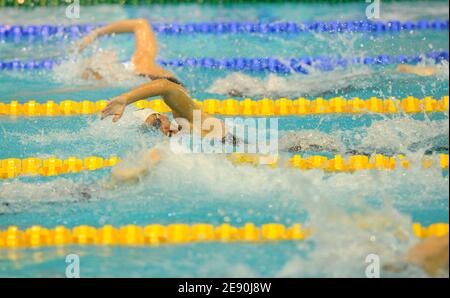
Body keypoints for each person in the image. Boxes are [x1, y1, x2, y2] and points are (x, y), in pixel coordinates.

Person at [77, 19, 184, 85]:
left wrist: (95, 34)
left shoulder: (143, 63)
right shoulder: (144, 62)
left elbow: (140, 23)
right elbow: (141, 24)